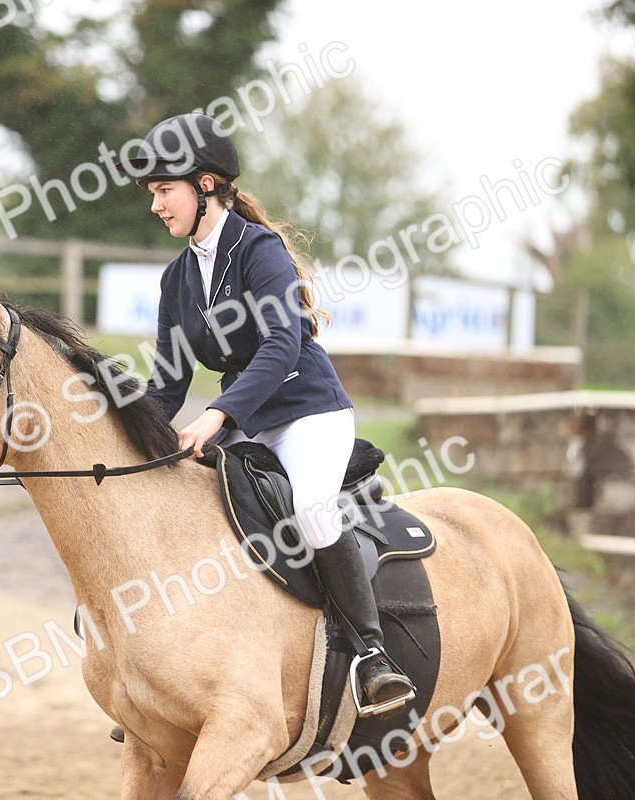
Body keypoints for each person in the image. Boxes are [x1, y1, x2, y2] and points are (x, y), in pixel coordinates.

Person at [133, 113, 414, 716]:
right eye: (153, 194)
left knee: (312, 510)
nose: (156, 205)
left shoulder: (260, 251)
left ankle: (371, 654)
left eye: (164, 190)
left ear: (205, 185)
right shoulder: (177, 278)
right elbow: (166, 382)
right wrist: (127, 439)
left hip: (309, 411)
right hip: (246, 419)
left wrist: (215, 416)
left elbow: (281, 344)